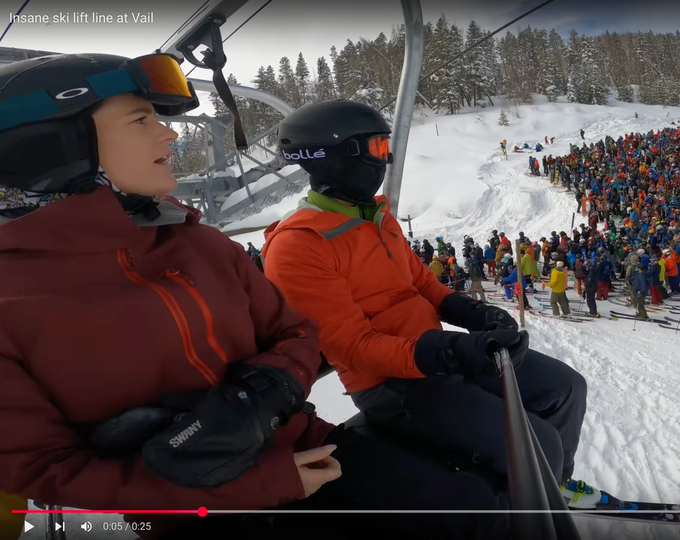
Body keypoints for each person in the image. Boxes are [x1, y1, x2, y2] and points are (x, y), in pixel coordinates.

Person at [0, 53, 506, 540]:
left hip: (304, 446)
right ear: (56, 146)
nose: (169, 133)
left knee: (474, 514)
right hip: (183, 510)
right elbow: (42, 468)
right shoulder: (14, 297)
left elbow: (297, 332)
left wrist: (260, 392)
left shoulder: (198, 242)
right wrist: (257, 478)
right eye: (140, 121)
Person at [260, 100, 599, 508]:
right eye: (377, 149)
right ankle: (518, 511)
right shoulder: (299, 245)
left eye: (388, 148)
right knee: (537, 442)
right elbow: (352, 348)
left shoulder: (375, 216)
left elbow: (420, 282)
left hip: (434, 357)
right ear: (336, 156)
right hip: (392, 387)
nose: (384, 160)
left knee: (565, 388)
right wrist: (453, 352)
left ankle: (547, 493)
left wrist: (471, 314)